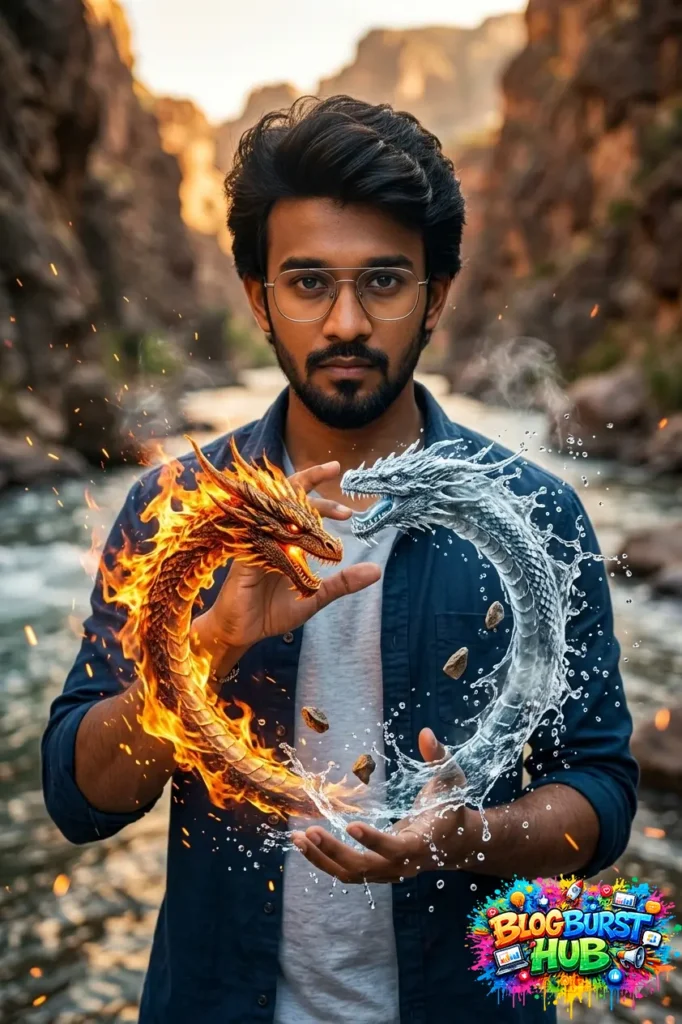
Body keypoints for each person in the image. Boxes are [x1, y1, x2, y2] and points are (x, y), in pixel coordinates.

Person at [42, 96, 638, 1023]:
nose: (347, 322)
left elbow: (599, 799)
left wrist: (467, 836)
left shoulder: (533, 514)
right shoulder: (174, 511)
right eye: (309, 282)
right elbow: (81, 797)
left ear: (437, 296)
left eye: (386, 282)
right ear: (259, 297)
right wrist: (209, 646)